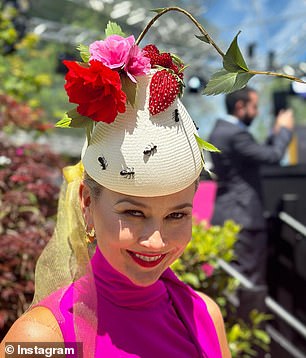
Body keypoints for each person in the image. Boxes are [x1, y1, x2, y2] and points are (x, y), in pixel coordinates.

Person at [1, 24, 230, 358]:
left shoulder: (205, 316)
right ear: (86, 204)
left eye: (176, 215)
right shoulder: (43, 339)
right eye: (133, 213)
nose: (156, 241)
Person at [209, 87, 294, 289]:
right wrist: (284, 130)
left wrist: (274, 135)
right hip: (244, 218)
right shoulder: (235, 134)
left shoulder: (222, 131)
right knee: (249, 281)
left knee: (234, 282)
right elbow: (273, 156)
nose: (256, 113)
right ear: (240, 106)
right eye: (254, 107)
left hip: (230, 214)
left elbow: (259, 154)